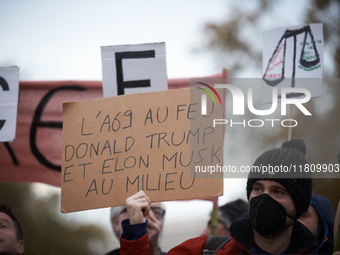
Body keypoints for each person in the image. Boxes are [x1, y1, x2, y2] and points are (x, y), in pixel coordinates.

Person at [119, 138, 319, 254]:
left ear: (299, 205)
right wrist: (136, 233)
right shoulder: (202, 250)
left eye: (277, 191)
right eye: (258, 188)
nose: (264, 198)